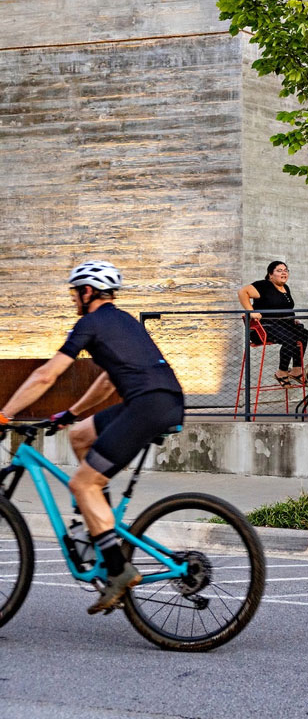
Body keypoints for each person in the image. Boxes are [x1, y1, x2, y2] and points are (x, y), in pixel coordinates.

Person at [0, 261, 184, 614]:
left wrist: (5, 414)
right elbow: (108, 381)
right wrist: (72, 413)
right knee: (82, 435)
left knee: (82, 484)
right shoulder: (124, 321)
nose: (73, 299)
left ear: (87, 292)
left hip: (147, 407)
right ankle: (96, 528)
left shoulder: (90, 323)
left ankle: (117, 568)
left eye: (74, 293)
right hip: (162, 401)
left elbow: (46, 375)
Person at [237, 261, 308, 385]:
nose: (284, 273)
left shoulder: (286, 288)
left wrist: (292, 319)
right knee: (290, 338)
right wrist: (251, 312)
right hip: (264, 328)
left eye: (286, 270)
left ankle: (296, 370)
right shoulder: (264, 285)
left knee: (303, 335)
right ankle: (281, 372)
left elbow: (286, 308)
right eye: (279, 270)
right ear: (270, 275)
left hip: (283, 326)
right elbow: (242, 292)